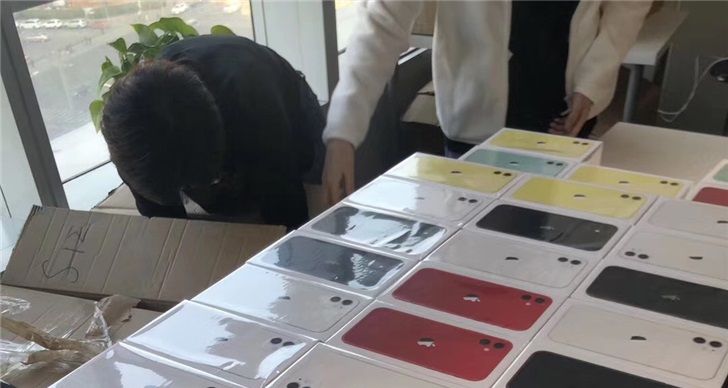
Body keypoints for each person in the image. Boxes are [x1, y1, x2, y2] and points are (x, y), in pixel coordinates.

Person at [323, 0, 652, 204]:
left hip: (566, 113)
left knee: (558, 248)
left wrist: (592, 82)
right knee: (470, 247)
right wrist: (343, 130)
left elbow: (629, 6)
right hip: (476, 122)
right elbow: (382, 21)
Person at [101, 34, 325, 230]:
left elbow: (288, 214)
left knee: (312, 186)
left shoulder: (256, 105)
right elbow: (162, 220)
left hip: (291, 110)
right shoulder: (129, 131)